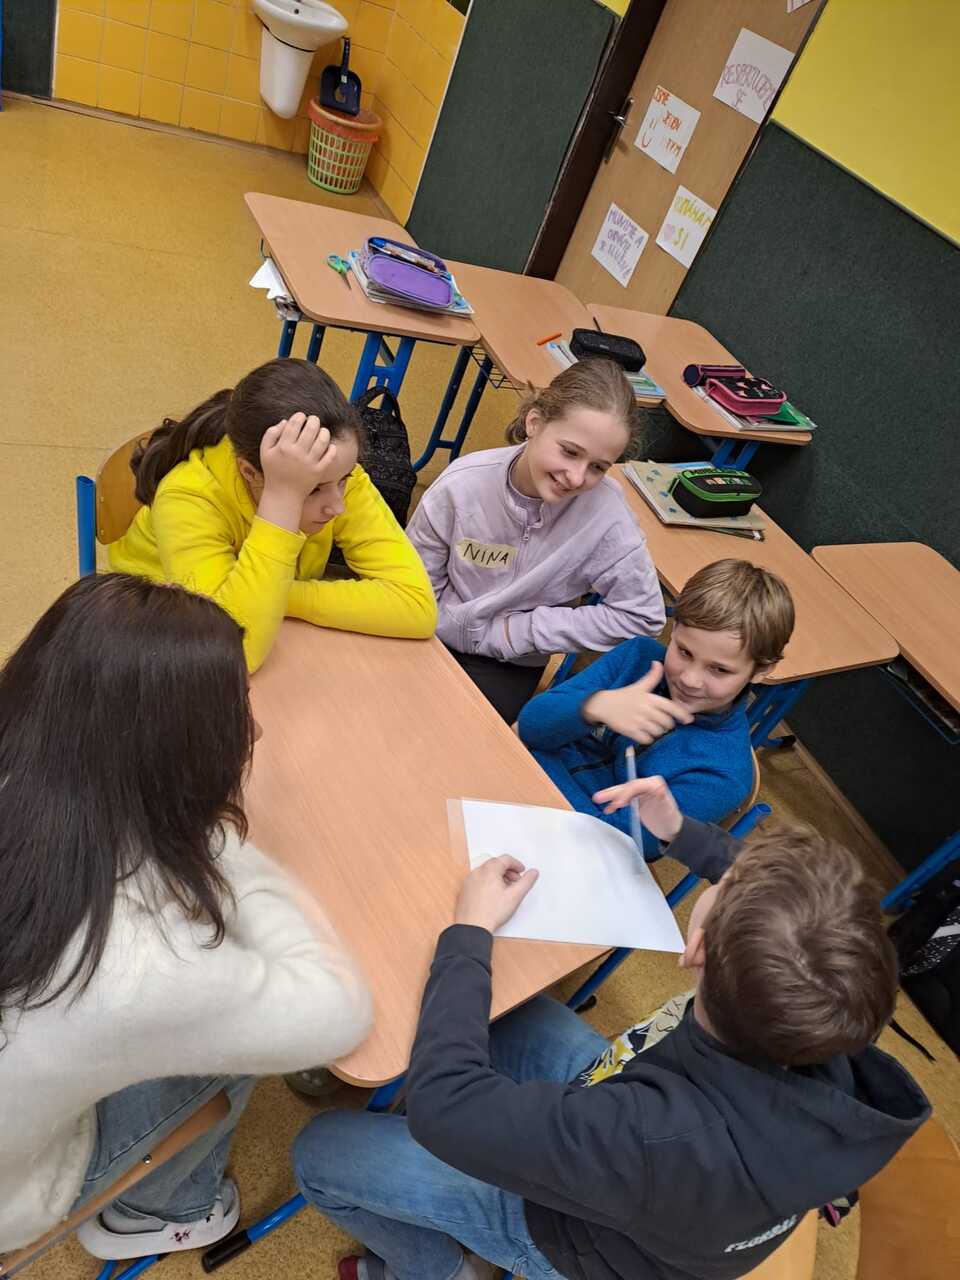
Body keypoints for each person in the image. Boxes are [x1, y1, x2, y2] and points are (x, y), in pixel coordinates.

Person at [291, 776, 929, 1280]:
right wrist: (680, 832)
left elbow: (443, 1108)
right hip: (656, 1128)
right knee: (503, 1014)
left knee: (320, 1151)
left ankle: (436, 1270)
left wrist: (470, 931)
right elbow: (788, 900)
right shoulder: (832, 1000)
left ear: (696, 949)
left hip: (566, 1239)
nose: (725, 873)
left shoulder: (651, 1137)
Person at [0, 574, 371, 1260]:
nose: (253, 731)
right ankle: (160, 1211)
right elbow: (338, 1012)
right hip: (18, 1194)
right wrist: (210, 834)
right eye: (237, 715)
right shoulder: (143, 962)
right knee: (236, 1038)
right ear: (174, 760)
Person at [109, 358, 436, 671]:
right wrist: (283, 499)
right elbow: (235, 652)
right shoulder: (188, 497)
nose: (337, 506)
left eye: (345, 479)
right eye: (313, 490)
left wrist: (279, 595)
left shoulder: (330, 471)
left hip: (253, 626)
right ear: (249, 472)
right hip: (149, 634)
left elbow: (416, 604)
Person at [406, 359, 665, 723]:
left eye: (598, 467)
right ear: (534, 423)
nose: (576, 477)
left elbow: (643, 614)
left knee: (459, 735)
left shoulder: (607, 516)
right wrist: (446, 625)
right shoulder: (462, 486)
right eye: (570, 451)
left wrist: (522, 632)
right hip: (430, 631)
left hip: (509, 661)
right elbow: (415, 584)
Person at [518, 559, 795, 854]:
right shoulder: (638, 656)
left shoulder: (725, 772)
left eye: (719, 670)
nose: (689, 679)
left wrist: (537, 761)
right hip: (524, 785)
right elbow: (532, 725)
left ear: (761, 671)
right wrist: (594, 706)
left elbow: (619, 846)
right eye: (684, 652)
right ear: (673, 629)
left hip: (569, 843)